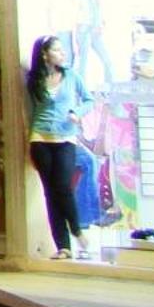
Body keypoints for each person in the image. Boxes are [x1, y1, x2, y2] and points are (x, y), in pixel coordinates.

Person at [26, 34, 92, 259]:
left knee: (63, 186)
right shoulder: (34, 79)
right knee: (49, 192)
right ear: (45, 54)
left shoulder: (71, 76)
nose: (62, 53)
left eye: (63, 50)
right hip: (40, 138)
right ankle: (63, 245)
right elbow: (31, 108)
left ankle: (77, 229)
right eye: (57, 50)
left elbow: (89, 99)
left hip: (66, 138)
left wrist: (77, 113)